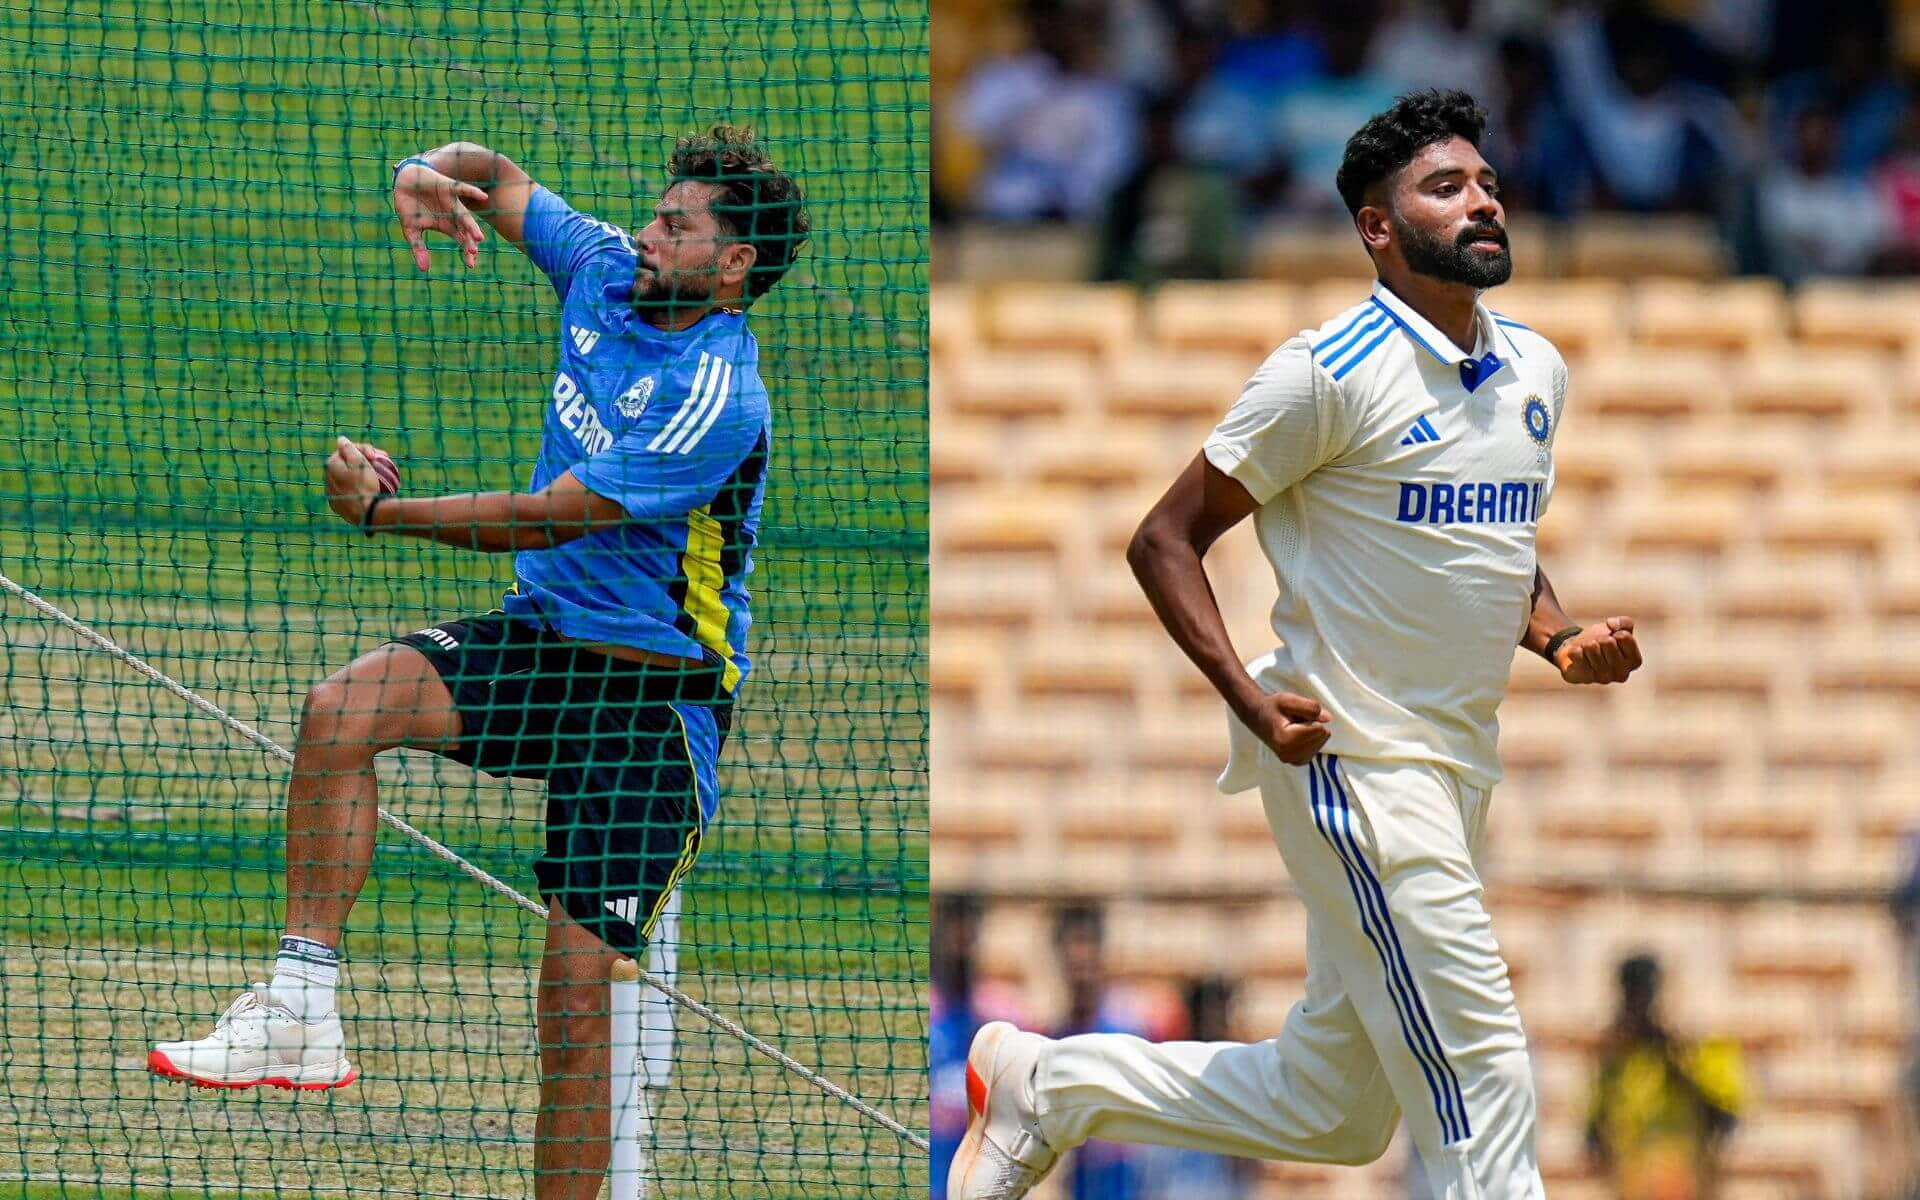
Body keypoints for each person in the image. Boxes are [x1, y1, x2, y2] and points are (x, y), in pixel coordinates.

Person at [948, 89, 1643, 1200]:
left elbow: (1496, 545)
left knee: (1332, 1107)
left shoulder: (1535, 373)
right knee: (1488, 1072)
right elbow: (1164, 540)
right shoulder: (1326, 370)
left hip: (1459, 769)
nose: (1483, 203)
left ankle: (1051, 1081)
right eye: (1447, 187)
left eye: (1489, 185)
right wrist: (1250, 701)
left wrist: (1559, 639)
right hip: (1354, 762)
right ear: (1378, 226)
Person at [145, 126, 808, 1200]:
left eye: (676, 226)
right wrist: (421, 174)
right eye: (655, 213)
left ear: (733, 266)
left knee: (575, 1015)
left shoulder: (719, 396)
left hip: (651, 711)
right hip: (544, 648)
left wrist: (385, 514)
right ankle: (302, 1007)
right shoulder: (601, 268)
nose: (647, 233)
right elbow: (492, 175)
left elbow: (546, 518)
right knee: (338, 712)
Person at [1585, 954, 1744, 1199]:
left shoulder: (1704, 1049)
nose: (1640, 1008)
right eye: (1632, 998)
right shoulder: (1616, 1061)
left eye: (1645, 996)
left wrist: (1672, 1056)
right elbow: (1591, 1137)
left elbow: (1726, 1120)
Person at [932, 892, 1029, 1198]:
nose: (960, 940)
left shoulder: (1002, 1015)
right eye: (953, 929)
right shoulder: (929, 1012)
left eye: (968, 929)